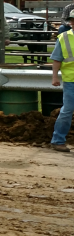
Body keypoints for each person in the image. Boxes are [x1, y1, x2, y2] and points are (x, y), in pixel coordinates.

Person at [48, 9, 74, 152]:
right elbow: (57, 59)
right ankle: (58, 140)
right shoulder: (64, 37)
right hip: (71, 80)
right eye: (72, 20)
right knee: (68, 109)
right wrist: (54, 77)